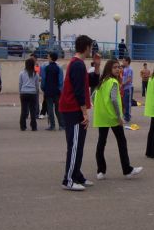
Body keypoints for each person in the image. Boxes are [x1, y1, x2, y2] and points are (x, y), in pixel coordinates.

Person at [93, 59, 143, 180]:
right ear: (109, 69)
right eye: (115, 67)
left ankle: (101, 171)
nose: (117, 69)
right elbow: (114, 100)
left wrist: (99, 108)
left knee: (101, 143)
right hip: (113, 117)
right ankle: (127, 170)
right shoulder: (113, 82)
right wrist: (118, 116)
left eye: (118, 67)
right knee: (121, 142)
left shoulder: (102, 82)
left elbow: (93, 96)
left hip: (102, 117)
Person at [59, 35, 94, 191]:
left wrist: (98, 67)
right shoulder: (78, 65)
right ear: (86, 47)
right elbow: (79, 91)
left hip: (72, 109)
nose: (91, 49)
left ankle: (76, 174)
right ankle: (68, 179)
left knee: (78, 145)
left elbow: (89, 83)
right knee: (74, 145)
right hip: (72, 109)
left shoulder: (77, 64)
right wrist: (84, 112)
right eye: (91, 47)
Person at [41, 52, 64, 131]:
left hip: (48, 90)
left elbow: (43, 80)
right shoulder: (59, 68)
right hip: (56, 91)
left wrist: (43, 88)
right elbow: (61, 81)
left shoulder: (45, 68)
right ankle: (61, 125)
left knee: (50, 108)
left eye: (48, 56)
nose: (47, 57)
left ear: (50, 58)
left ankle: (52, 125)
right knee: (58, 109)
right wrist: (60, 90)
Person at [19, 58, 40, 131]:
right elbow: (37, 84)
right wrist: (37, 91)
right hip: (33, 93)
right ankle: (34, 126)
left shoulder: (21, 73)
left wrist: (20, 91)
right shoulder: (35, 74)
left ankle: (23, 126)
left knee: (24, 110)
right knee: (33, 111)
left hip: (24, 93)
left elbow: (20, 83)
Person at [122, 57, 134, 122]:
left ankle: (127, 118)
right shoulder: (124, 69)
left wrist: (123, 84)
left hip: (128, 88)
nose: (122, 62)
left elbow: (129, 79)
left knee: (128, 103)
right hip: (124, 88)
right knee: (124, 102)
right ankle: (126, 115)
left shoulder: (129, 69)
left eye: (124, 61)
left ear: (127, 61)